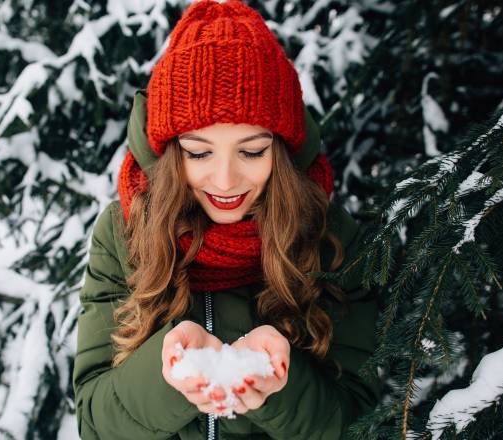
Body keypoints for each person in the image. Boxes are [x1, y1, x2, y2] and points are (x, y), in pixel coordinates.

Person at [72, 1, 379, 438]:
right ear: (172, 151)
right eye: (199, 153)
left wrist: (281, 389)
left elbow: (362, 423)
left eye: (252, 151)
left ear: (283, 148)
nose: (225, 179)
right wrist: (171, 377)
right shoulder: (124, 231)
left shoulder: (330, 238)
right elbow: (94, 422)